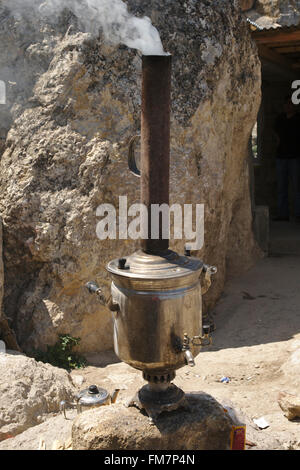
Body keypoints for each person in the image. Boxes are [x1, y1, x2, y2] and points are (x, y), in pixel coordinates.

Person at [273, 95, 300, 222]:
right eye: (286, 104)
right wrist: (277, 141)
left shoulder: (298, 118)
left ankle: (298, 214)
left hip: (295, 157)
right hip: (281, 157)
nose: (288, 106)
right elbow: (275, 133)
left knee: (296, 188)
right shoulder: (280, 118)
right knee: (281, 188)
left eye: (290, 104)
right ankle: (283, 214)